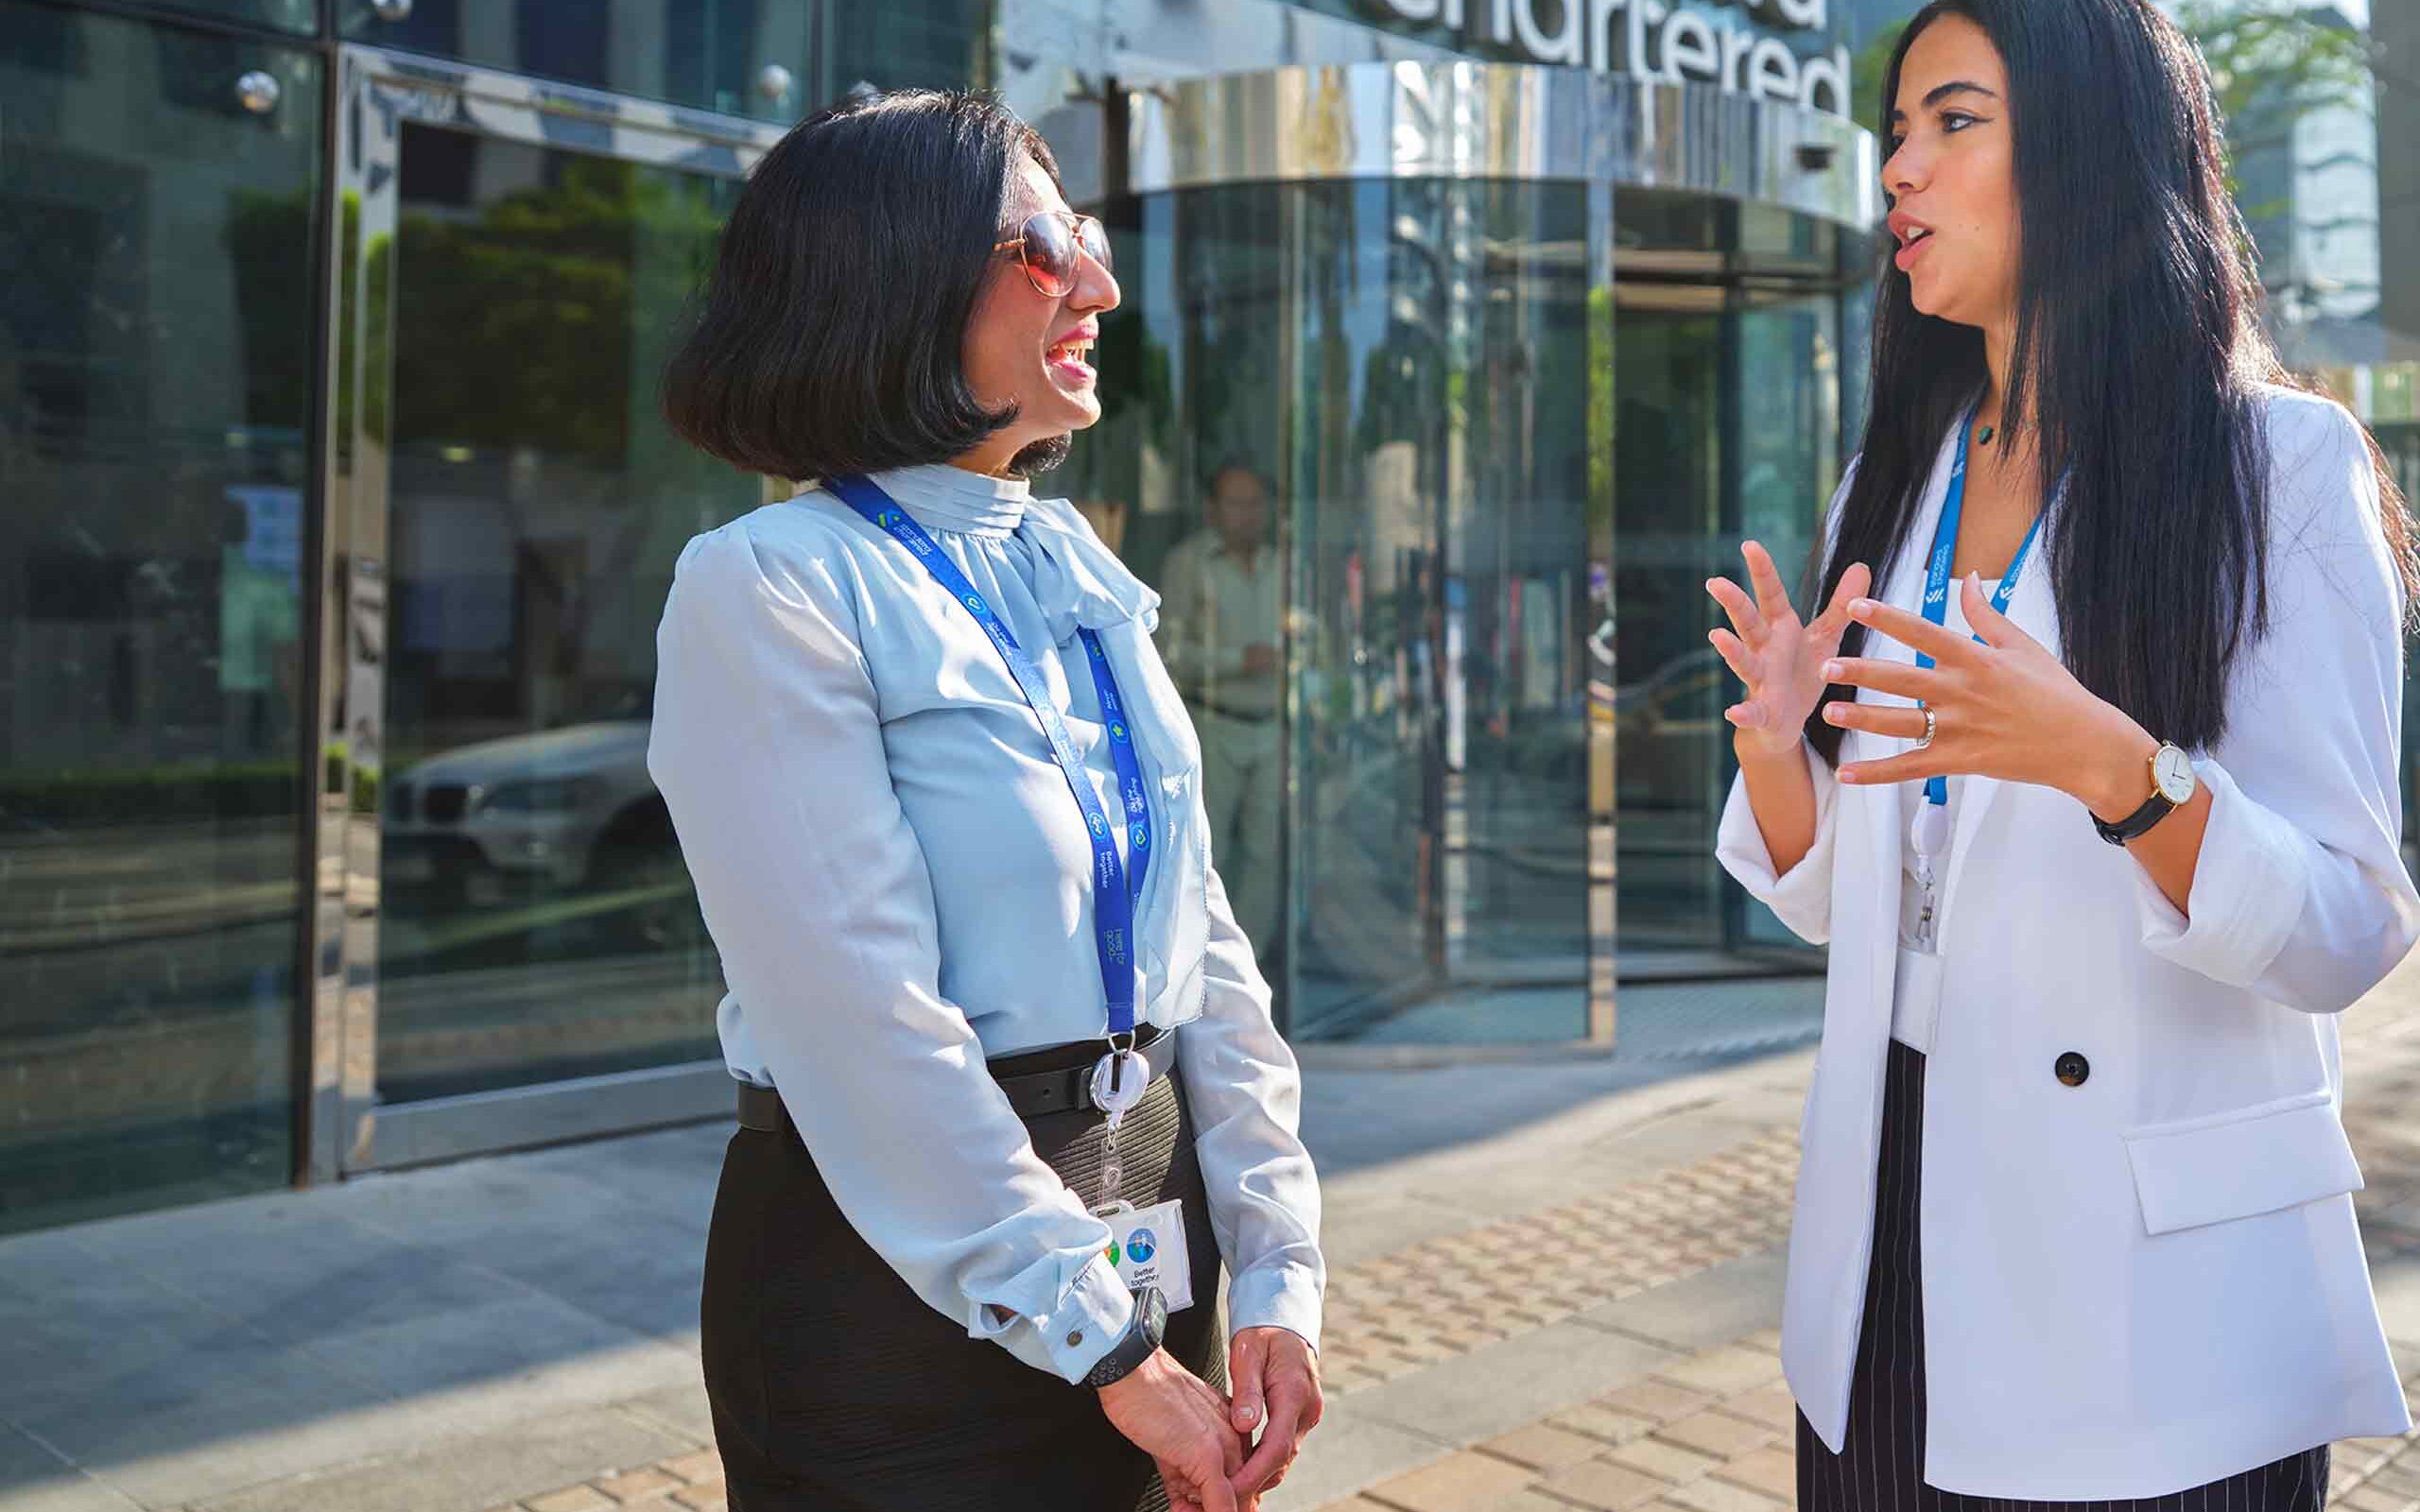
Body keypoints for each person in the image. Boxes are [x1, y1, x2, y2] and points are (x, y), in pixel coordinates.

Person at [1706, 2, 2419, 1506]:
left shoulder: (2280, 468)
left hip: (2153, 1308)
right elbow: (1861, 909)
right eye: (1895, 134)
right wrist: (1784, 758)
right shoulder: (1890, 481)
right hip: (1890, 1237)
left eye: (1954, 123)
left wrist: (2121, 774)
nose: (1900, 172)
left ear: (2095, 150)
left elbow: (2352, 924)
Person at [649, 91, 1324, 1512]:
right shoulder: (774, 582)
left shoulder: (1068, 567)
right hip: (895, 1321)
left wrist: (1275, 1271)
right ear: (892, 274)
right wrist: (1110, 1351)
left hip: (1143, 1258)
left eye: (1082, 236)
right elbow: (861, 1026)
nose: (1098, 278)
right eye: (1040, 245)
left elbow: (1206, 954)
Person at [1156, 462, 1285, 955]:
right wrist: (1238, 661)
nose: (1247, 515)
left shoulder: (1284, 564)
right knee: (1209, 853)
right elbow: (1166, 652)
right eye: (1236, 503)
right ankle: (1203, 965)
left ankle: (1250, 965)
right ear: (1213, 509)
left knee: (1266, 856)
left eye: (1255, 503)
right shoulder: (1188, 563)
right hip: (1212, 719)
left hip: (1272, 725)